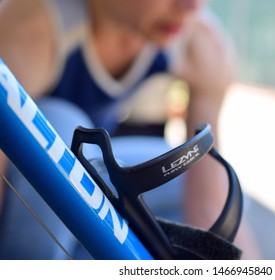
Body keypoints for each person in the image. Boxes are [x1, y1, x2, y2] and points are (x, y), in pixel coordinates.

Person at [0, 0, 259, 259]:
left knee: (202, 179)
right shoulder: (34, 29)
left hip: (77, 192)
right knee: (62, 129)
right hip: (18, 212)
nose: (191, 5)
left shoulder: (198, 41)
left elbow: (209, 207)